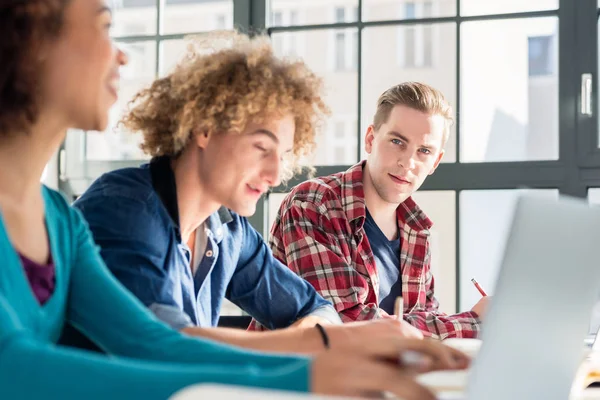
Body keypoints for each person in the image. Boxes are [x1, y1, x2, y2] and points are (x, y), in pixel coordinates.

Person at [0, 2, 469, 399]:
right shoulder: (122, 208)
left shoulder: (63, 222)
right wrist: (314, 363)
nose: (122, 55)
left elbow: (154, 343)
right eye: (104, 25)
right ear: (33, 39)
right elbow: (18, 367)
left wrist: (327, 351)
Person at [72, 29, 425, 352]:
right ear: (205, 129)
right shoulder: (124, 209)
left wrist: (320, 332)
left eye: (283, 156)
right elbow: (162, 345)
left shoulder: (228, 231)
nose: (274, 175)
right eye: (261, 148)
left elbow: (315, 307)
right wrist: (326, 338)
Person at [265, 82, 489, 339]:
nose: (408, 162)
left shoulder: (416, 229)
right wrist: (474, 323)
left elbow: (423, 323)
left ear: (435, 162)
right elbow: (343, 323)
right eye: (397, 141)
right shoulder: (313, 204)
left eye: (424, 151)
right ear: (370, 139)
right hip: (306, 375)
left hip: (382, 376)